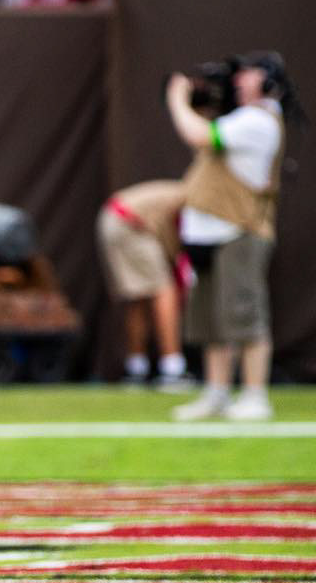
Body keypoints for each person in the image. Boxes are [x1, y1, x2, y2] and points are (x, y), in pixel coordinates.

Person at [167, 54, 293, 422]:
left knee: (243, 315)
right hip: (207, 232)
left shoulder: (259, 120)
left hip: (240, 229)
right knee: (210, 320)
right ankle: (217, 392)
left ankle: (255, 394)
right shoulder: (238, 118)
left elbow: (200, 135)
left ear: (268, 82)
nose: (238, 82)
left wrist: (177, 98)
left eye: (248, 76)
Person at [95, 180, 189, 387]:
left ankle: (136, 367)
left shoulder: (178, 193)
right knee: (164, 290)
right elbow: (176, 240)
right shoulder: (193, 199)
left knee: (138, 297)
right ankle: (173, 368)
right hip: (130, 222)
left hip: (111, 219)